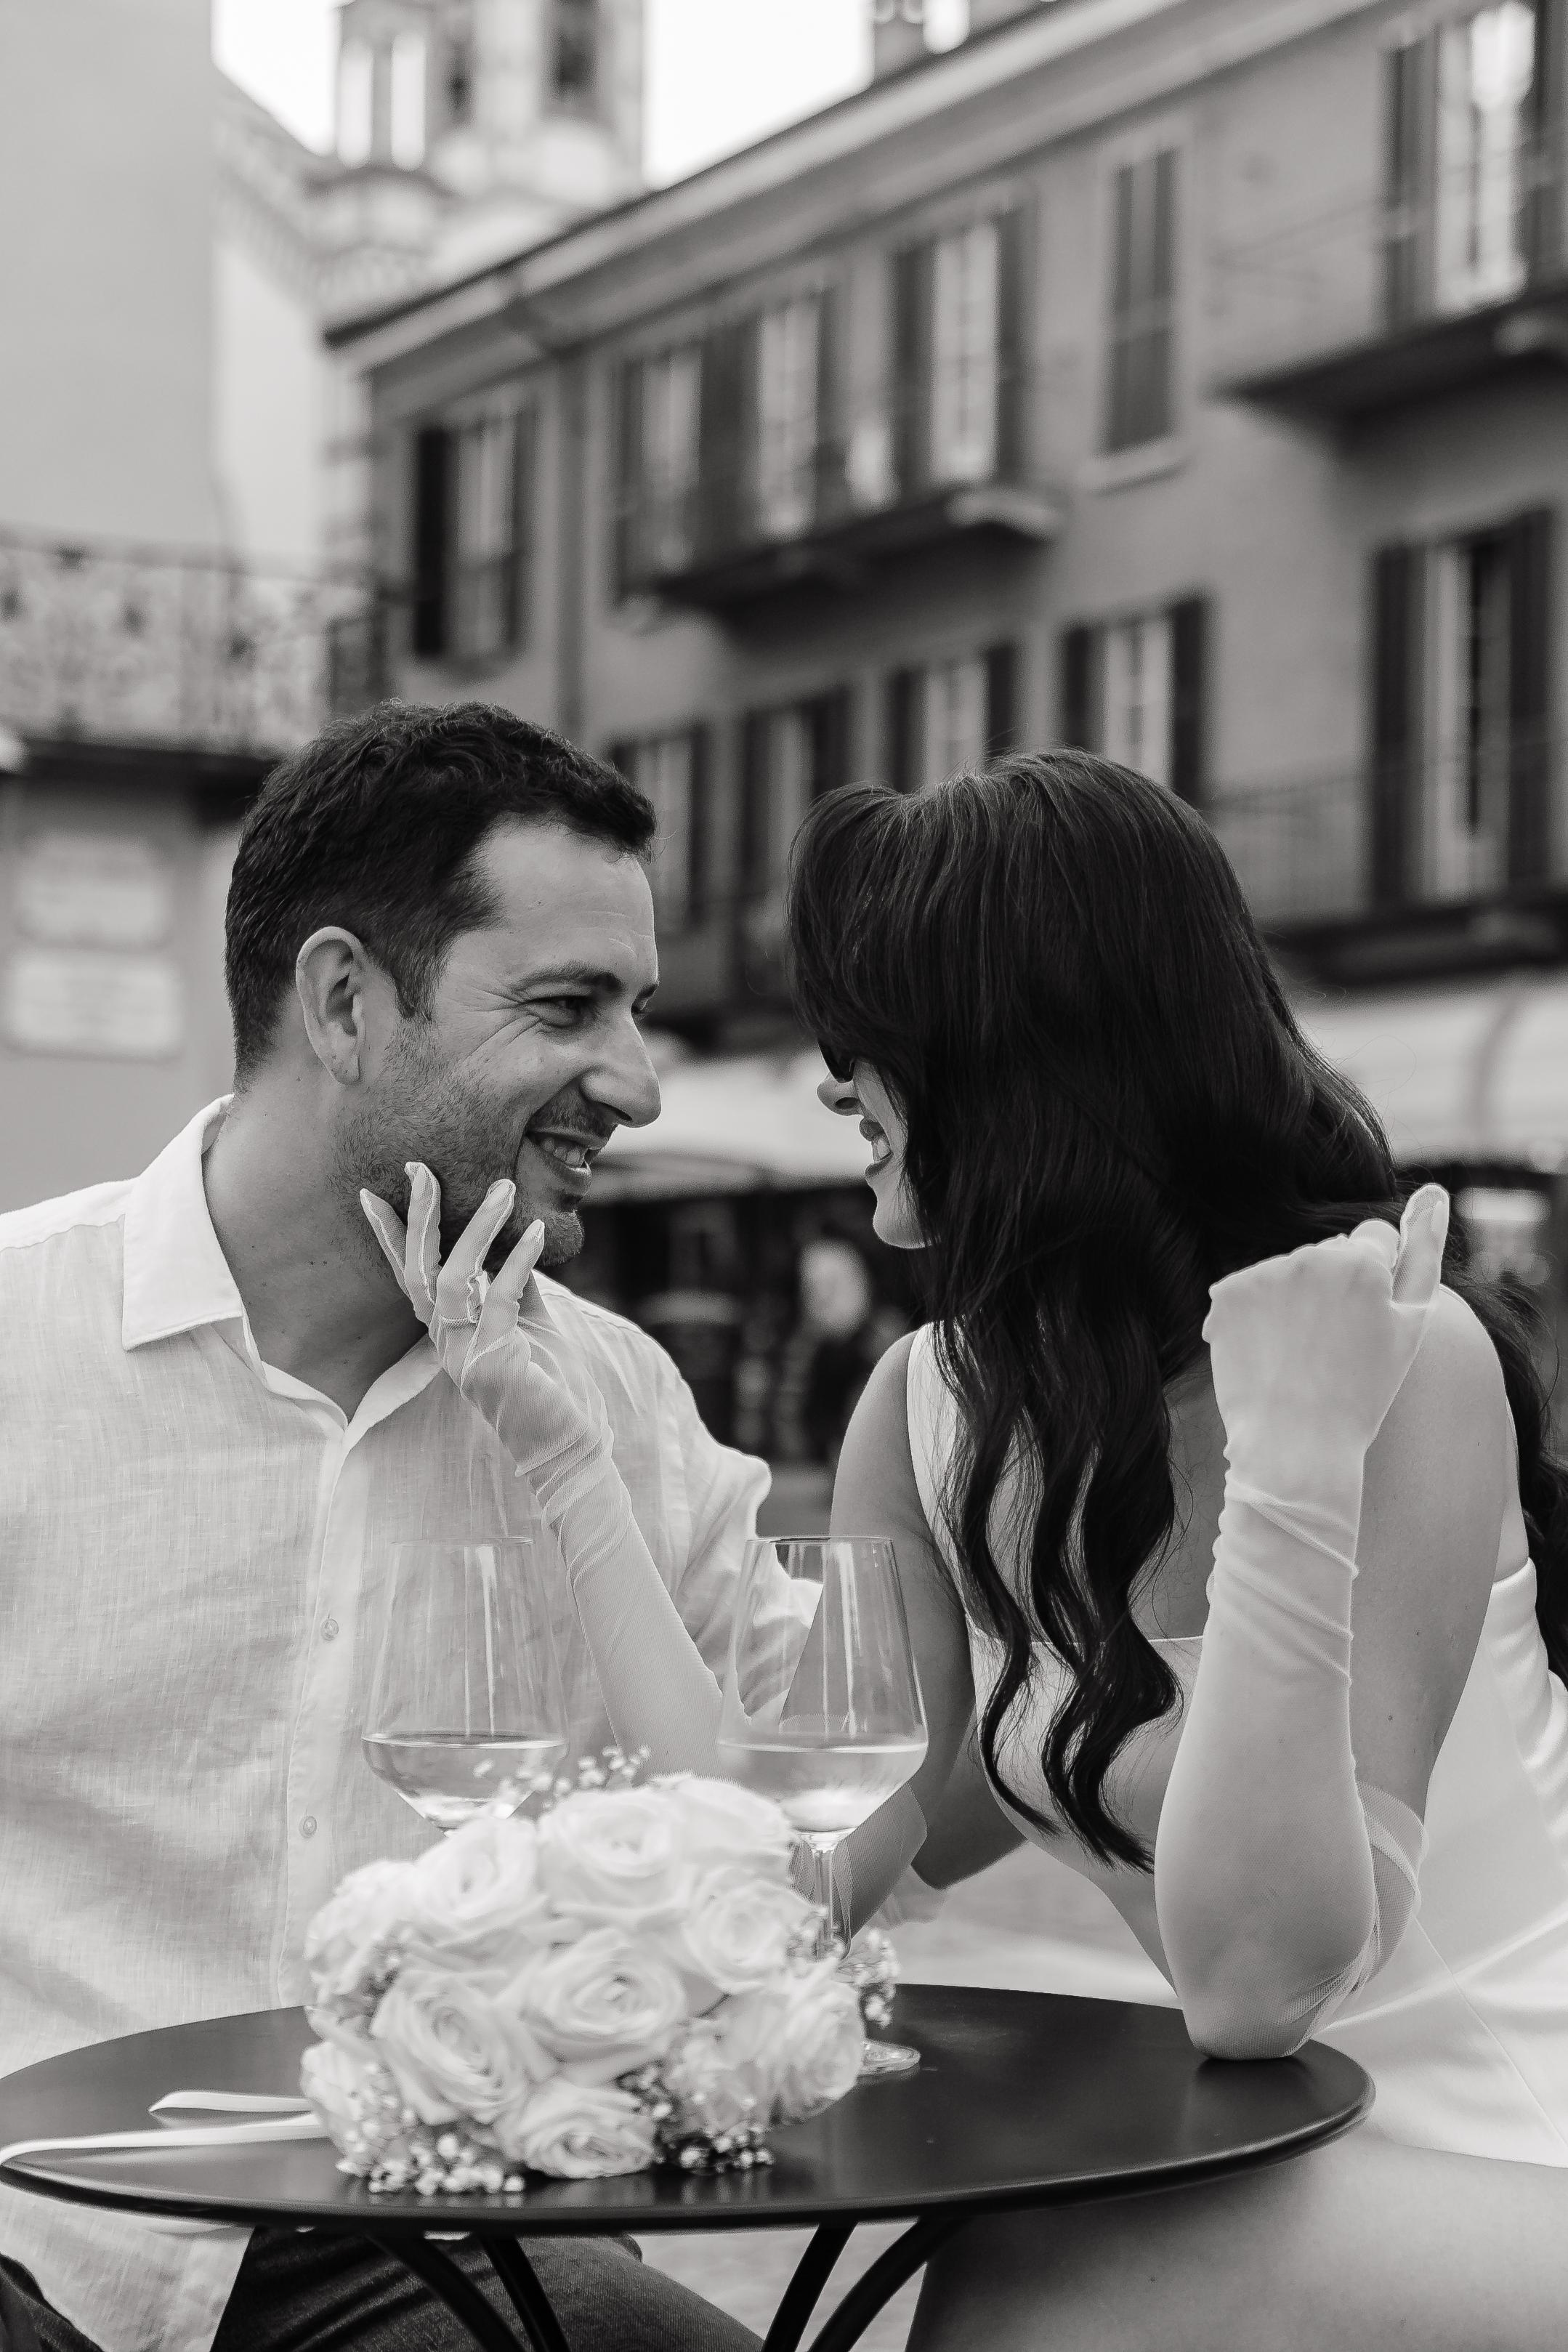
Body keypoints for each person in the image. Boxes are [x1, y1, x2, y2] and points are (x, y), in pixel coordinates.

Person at [0, 703, 763, 2352]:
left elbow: (801, 1808)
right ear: (343, 1000)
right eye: (568, 1007)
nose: (630, 1082)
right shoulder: (11, 1344)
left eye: (634, 1011)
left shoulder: (614, 1406)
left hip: (406, 2247)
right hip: (25, 2222)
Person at [783, 753, 1568, 2350]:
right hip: (1269, 2154)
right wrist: (563, 1471)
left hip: (1505, 2143)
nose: (826, 1080)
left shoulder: (1398, 1358)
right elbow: (805, 1875)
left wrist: (1287, 1458)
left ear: (1015, 1053)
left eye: (864, 1029)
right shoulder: (925, 1406)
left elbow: (1261, 1982)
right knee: (1015, 2237)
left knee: (1033, 2258)